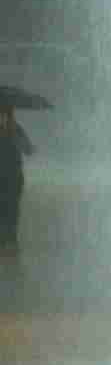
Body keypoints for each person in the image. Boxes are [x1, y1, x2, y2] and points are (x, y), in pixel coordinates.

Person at [0, 104, 33, 254]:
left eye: (4, 114)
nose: (2, 117)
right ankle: (4, 239)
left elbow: (28, 150)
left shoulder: (16, 130)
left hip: (14, 176)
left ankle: (11, 239)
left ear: (10, 115)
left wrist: (22, 143)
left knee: (12, 208)